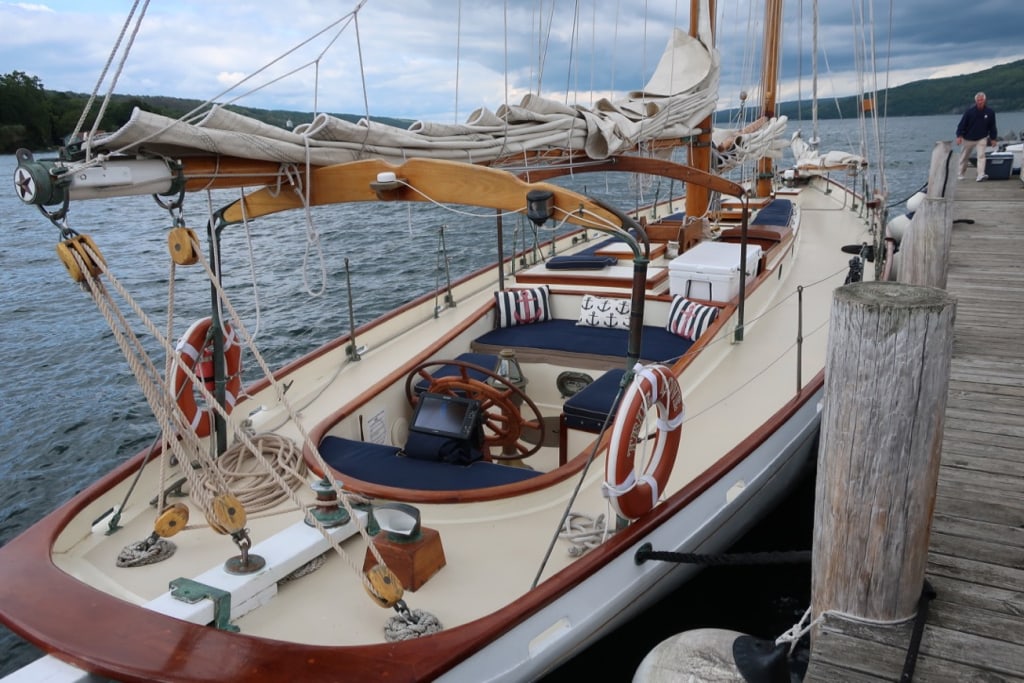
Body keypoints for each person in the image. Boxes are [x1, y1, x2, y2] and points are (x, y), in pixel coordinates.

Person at [956, 92, 998, 181]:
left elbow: (992, 126)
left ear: (985, 100)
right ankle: (960, 173)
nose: (980, 102)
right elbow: (962, 124)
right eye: (978, 100)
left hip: (982, 137)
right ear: (976, 101)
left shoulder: (990, 112)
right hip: (968, 138)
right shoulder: (969, 112)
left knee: (981, 156)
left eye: (982, 100)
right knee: (964, 156)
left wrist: (993, 138)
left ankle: (980, 174)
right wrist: (959, 136)